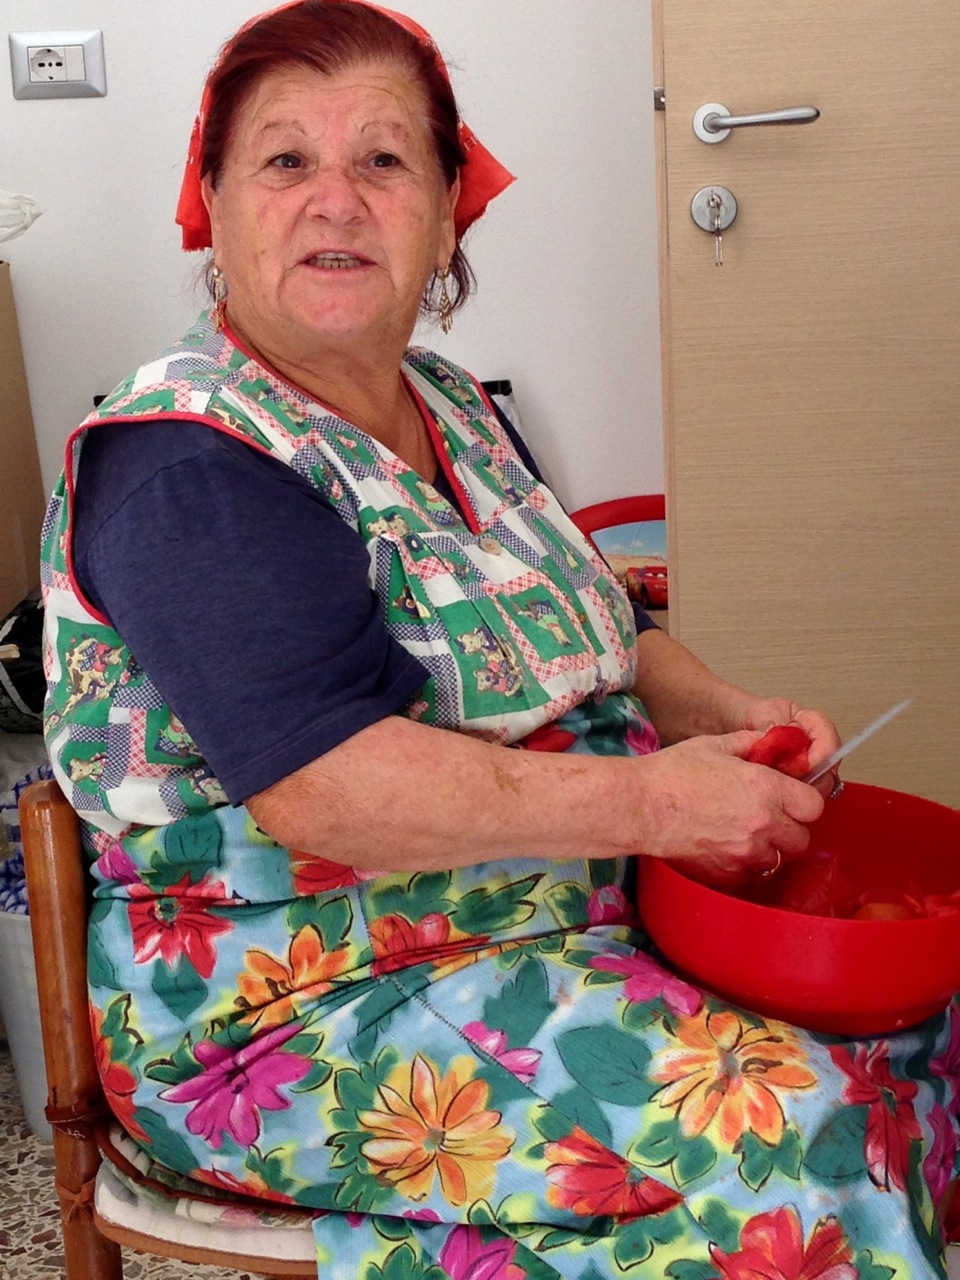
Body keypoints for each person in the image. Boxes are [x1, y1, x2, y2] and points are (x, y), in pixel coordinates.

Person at [40, 3, 958, 1276]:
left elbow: (597, 622)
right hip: (301, 1009)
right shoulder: (190, 458)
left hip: (555, 922)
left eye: (384, 159)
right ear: (213, 199)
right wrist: (659, 804)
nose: (336, 201)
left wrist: (725, 715)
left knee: (915, 1026)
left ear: (448, 205)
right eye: (285, 159)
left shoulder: (453, 405)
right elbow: (333, 788)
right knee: (787, 1123)